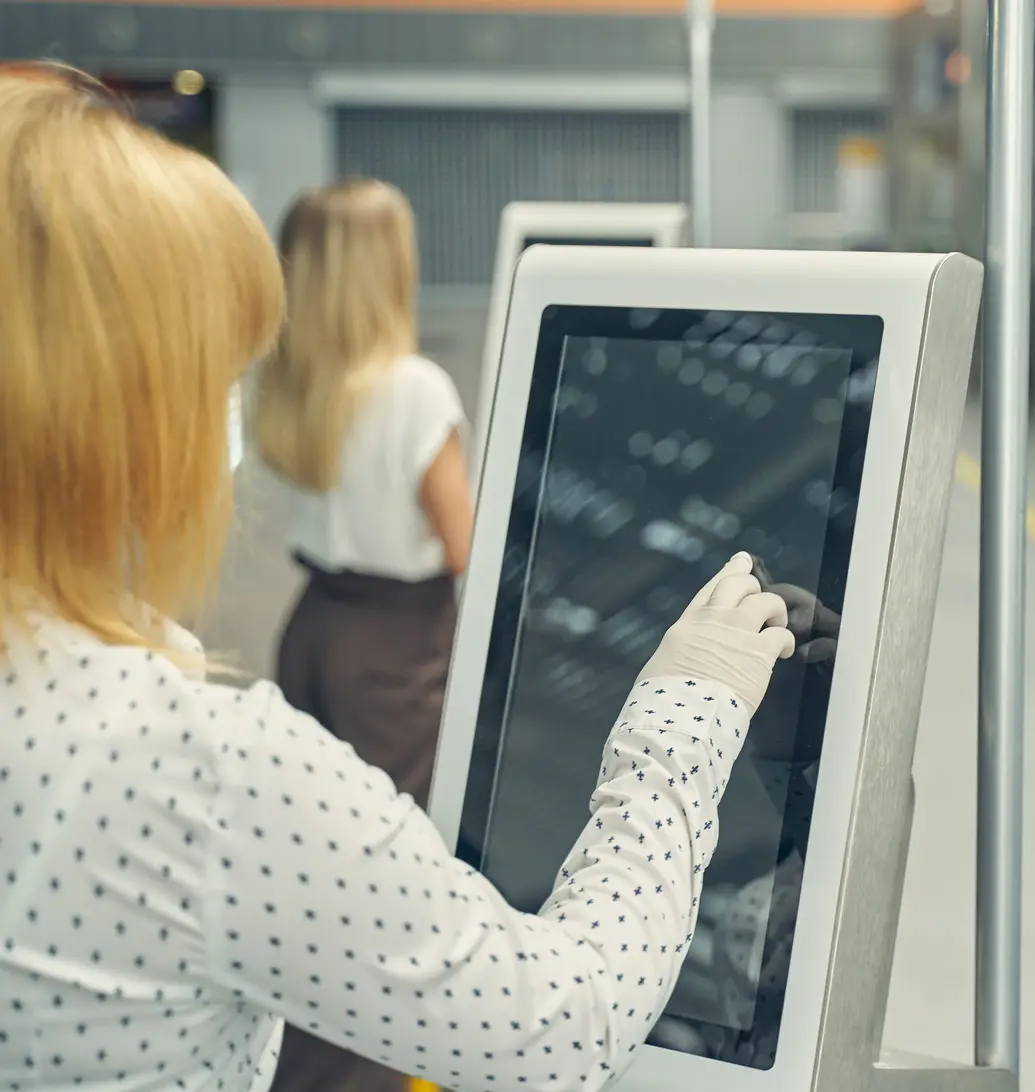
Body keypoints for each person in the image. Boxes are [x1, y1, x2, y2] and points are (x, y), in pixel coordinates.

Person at [0, 61, 796, 1092]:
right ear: (120, 415)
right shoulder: (206, 774)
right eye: (209, 372)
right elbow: (561, 1029)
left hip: (319, 623)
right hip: (397, 640)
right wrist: (682, 718)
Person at [253, 178, 467, 819]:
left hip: (313, 628)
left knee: (319, 827)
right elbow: (465, 550)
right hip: (398, 653)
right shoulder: (414, 389)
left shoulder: (291, 382)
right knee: (401, 840)